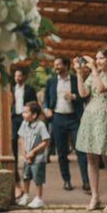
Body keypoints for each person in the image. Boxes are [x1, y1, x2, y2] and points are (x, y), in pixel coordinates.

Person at [74, 49, 107, 213]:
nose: (97, 61)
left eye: (101, 58)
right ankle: (95, 196)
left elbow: (102, 89)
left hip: (105, 117)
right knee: (91, 158)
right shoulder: (94, 74)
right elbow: (83, 93)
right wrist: (79, 74)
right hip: (90, 117)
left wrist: (94, 71)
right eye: (96, 58)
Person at [43, 57, 90, 192]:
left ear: (66, 65)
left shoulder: (76, 80)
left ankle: (86, 181)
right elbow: (45, 99)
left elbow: (85, 96)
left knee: (81, 150)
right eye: (55, 64)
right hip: (57, 118)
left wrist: (74, 96)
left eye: (58, 64)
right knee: (62, 152)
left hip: (74, 119)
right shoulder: (51, 82)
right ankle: (66, 180)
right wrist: (46, 109)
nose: (56, 67)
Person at [16, 101, 50, 209]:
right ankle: (25, 195)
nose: (23, 114)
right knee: (26, 176)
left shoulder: (41, 125)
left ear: (34, 115)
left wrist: (33, 152)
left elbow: (45, 141)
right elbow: (21, 137)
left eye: (26, 112)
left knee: (37, 178)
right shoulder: (24, 123)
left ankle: (38, 198)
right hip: (27, 157)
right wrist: (24, 151)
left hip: (38, 158)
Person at [12, 67, 37, 197]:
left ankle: (27, 165)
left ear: (24, 77)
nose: (17, 78)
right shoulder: (11, 89)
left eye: (20, 76)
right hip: (14, 117)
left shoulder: (30, 89)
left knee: (27, 142)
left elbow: (35, 105)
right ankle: (15, 168)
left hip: (25, 119)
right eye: (16, 76)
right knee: (12, 142)